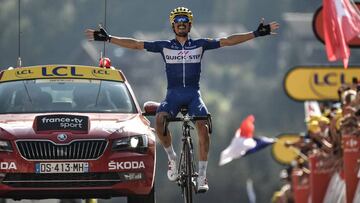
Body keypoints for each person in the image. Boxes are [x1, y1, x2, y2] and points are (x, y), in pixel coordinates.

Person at [85, 6, 280, 192]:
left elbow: (228, 40)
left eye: (185, 20)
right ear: (173, 25)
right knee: (160, 121)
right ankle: (172, 158)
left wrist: (256, 33)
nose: (181, 23)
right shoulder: (164, 46)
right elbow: (136, 44)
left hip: (193, 95)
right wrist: (109, 39)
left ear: (189, 25)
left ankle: (202, 175)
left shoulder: (200, 44)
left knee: (203, 129)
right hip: (173, 95)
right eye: (177, 20)